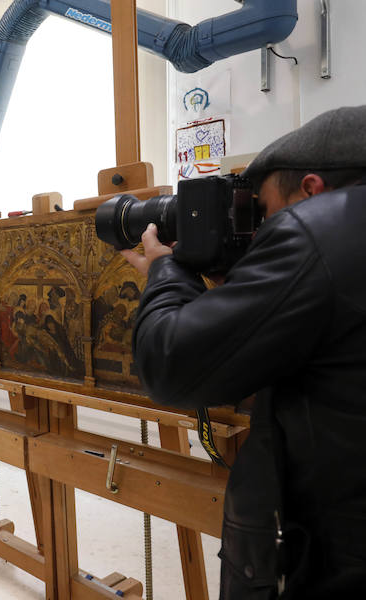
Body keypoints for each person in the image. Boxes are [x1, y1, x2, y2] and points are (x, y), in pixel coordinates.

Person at [120, 105, 366, 598]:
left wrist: (167, 271)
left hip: (327, 558)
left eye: (267, 212)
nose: (260, 230)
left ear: (312, 191)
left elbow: (169, 364)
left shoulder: (319, 228)